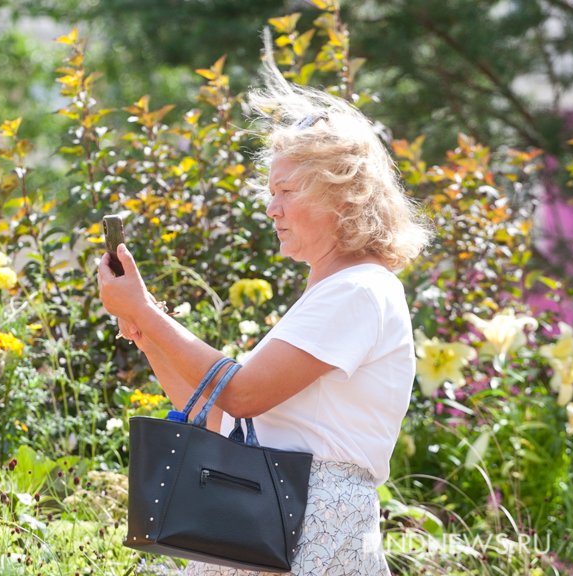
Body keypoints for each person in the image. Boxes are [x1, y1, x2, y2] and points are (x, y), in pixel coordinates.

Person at [97, 56, 430, 575]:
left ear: (343, 196)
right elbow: (217, 413)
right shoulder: (336, 292)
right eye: (270, 192)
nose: (271, 208)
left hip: (311, 534)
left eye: (286, 192)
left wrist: (146, 312)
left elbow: (241, 393)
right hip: (271, 526)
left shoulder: (359, 290)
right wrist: (146, 332)